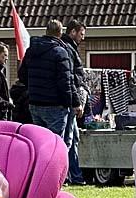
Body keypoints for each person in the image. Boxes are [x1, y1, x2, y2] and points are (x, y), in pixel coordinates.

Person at [18, 20, 75, 141]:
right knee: (56, 144)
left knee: (40, 142)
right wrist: (69, 104)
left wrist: (34, 88)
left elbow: (22, 74)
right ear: (60, 33)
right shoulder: (60, 53)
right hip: (55, 105)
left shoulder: (31, 51)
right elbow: (65, 82)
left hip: (35, 103)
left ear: (46, 31)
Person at [61, 20, 87, 184]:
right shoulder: (68, 50)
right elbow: (70, 78)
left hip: (70, 99)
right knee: (68, 140)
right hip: (69, 101)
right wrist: (77, 101)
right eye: (81, 34)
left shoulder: (69, 48)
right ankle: (68, 175)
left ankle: (75, 174)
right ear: (73, 32)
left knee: (74, 138)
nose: (82, 38)